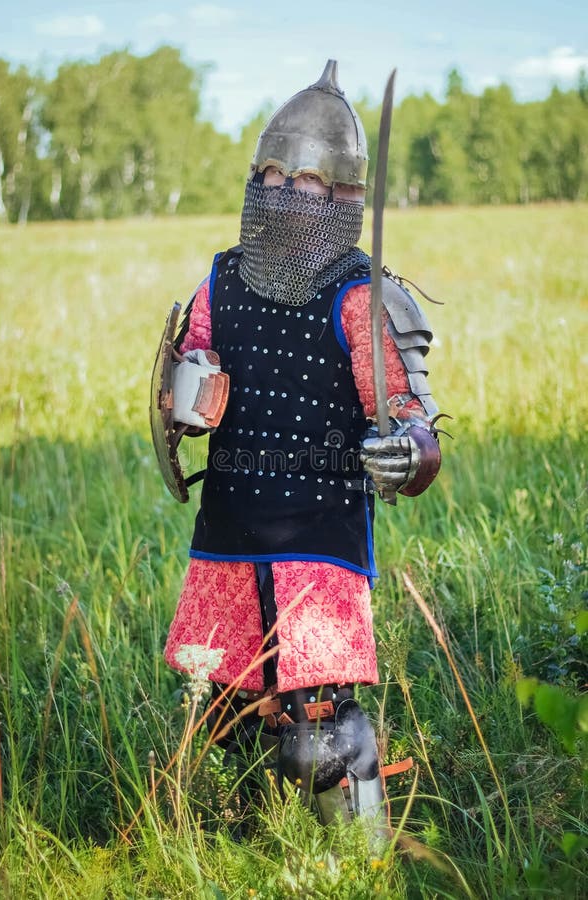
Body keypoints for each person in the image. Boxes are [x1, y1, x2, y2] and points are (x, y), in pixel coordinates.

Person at [160, 60, 441, 831]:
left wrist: (410, 452)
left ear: (344, 194)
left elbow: (414, 419)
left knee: (318, 725)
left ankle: (362, 859)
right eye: (270, 174)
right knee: (228, 702)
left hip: (317, 532)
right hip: (230, 525)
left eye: (304, 178)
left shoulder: (361, 297)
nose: (284, 191)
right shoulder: (223, 279)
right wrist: (188, 394)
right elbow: (191, 384)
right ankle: (243, 839)